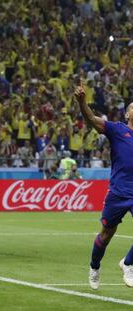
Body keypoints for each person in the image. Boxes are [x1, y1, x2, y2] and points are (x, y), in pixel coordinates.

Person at [75, 81, 133, 290]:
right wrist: (82, 103)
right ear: (127, 114)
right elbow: (90, 119)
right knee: (106, 234)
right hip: (118, 192)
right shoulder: (117, 130)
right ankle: (94, 266)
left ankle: (127, 264)